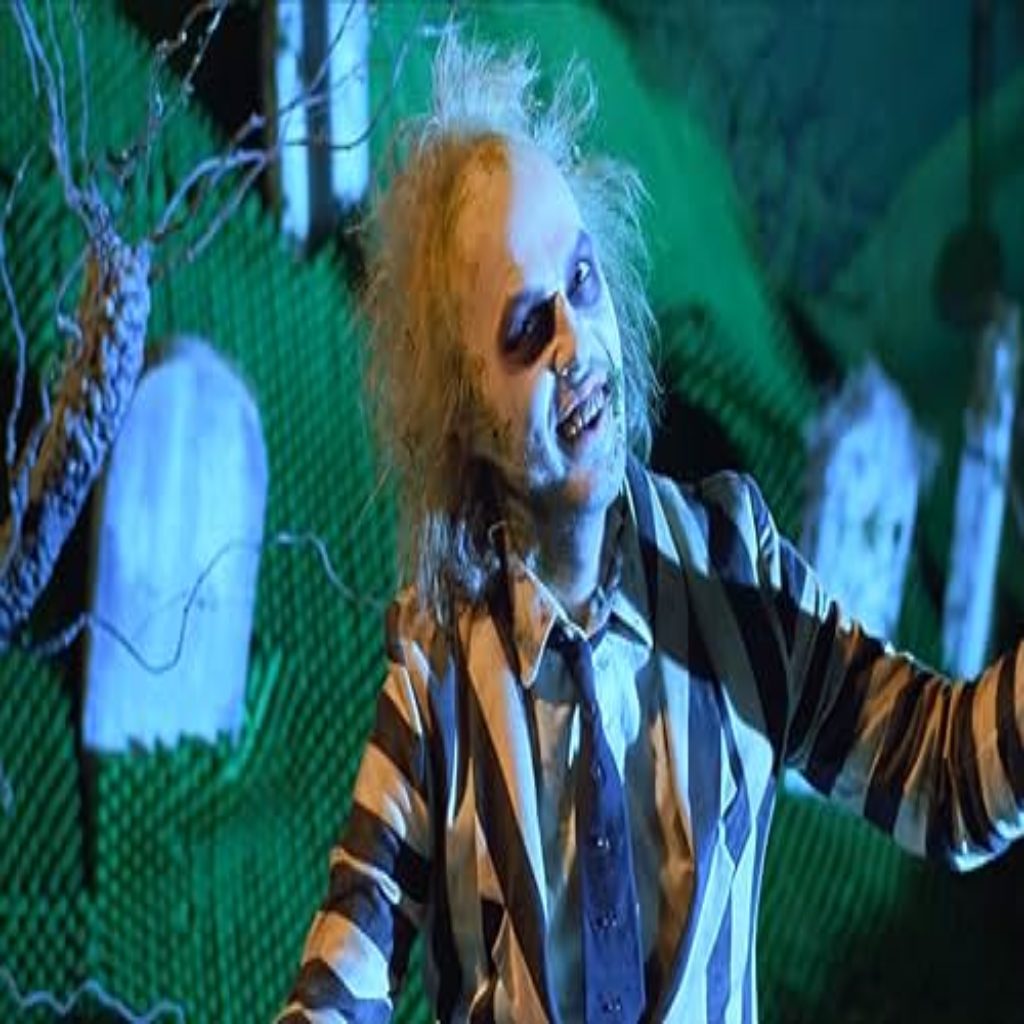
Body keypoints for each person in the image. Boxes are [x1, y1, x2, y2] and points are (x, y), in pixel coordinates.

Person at [277, 30, 1024, 1024]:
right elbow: (344, 976)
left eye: (582, 282)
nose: (574, 343)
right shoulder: (437, 667)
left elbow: (942, 772)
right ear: (465, 415)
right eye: (525, 329)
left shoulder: (735, 568)